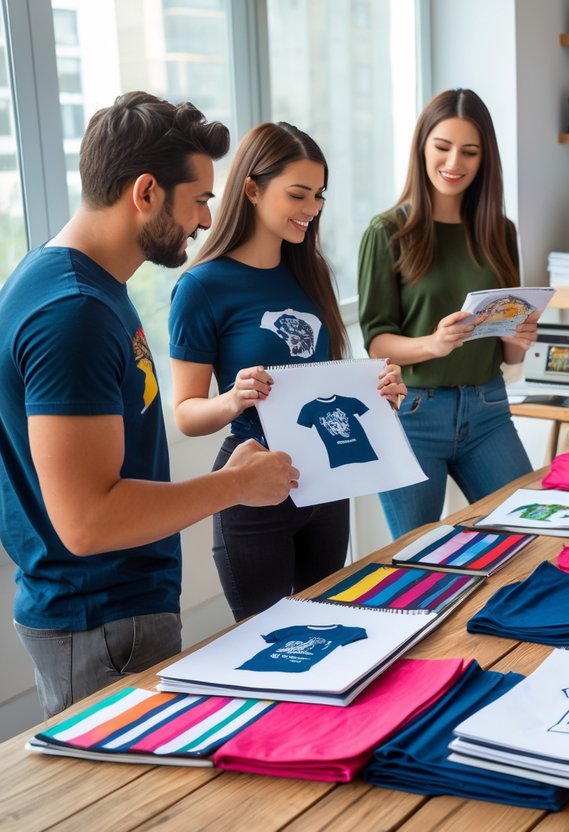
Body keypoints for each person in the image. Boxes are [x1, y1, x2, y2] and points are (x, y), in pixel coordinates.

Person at [0, 92, 298, 718]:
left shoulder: (86, 287)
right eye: (200, 200)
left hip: (110, 619)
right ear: (147, 191)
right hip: (101, 624)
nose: (207, 221)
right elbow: (88, 521)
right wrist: (235, 485)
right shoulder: (73, 313)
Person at [168, 122, 408, 621]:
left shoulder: (311, 272)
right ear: (252, 188)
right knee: (271, 646)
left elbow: (318, 381)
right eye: (298, 194)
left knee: (332, 630)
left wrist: (380, 392)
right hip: (252, 487)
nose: (312, 209)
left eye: (319, 195)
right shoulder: (201, 288)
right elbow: (187, 415)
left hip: (324, 482)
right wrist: (233, 398)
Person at [357, 88, 536, 538]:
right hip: (413, 414)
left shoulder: (500, 232)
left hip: (488, 407)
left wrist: (517, 341)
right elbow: (378, 339)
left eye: (469, 152)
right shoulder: (386, 232)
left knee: (531, 532)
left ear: (484, 159)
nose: (454, 162)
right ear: (422, 148)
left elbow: (508, 354)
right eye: (442, 147)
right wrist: (433, 344)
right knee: (420, 559)